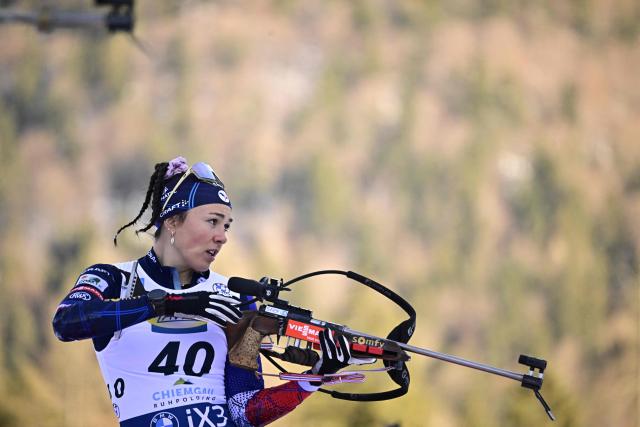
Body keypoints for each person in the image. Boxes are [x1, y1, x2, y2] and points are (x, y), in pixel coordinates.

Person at [52, 156, 355, 427]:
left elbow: (244, 411)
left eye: (227, 226)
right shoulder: (116, 278)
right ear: (172, 221)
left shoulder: (234, 296)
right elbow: (66, 322)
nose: (222, 237)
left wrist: (317, 374)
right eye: (212, 221)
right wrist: (171, 304)